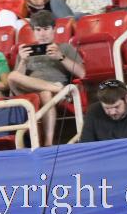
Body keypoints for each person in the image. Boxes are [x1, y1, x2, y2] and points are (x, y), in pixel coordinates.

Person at [8, 10, 84, 145]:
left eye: (46, 29)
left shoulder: (65, 48)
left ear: (54, 29)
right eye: (38, 30)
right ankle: (56, 88)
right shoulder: (26, 51)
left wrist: (61, 57)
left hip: (51, 93)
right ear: (33, 31)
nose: (42, 34)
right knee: (13, 75)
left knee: (45, 93)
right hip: (32, 90)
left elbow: (82, 73)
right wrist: (23, 61)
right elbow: (17, 78)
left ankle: (48, 143)